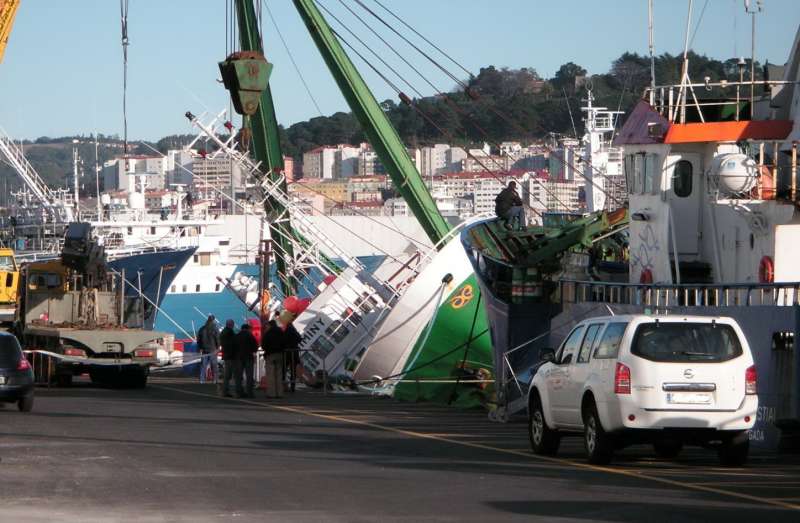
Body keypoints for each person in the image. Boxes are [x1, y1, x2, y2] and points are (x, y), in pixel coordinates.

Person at [261, 310, 296, 398]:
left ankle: (272, 393)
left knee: (271, 374)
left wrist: (267, 350)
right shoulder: (280, 332)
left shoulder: (268, 334)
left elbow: (264, 344)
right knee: (279, 374)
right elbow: (284, 342)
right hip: (280, 354)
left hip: (270, 355)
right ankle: (279, 393)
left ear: (269, 325)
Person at [234, 323, 259, 398]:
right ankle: (249, 392)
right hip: (248, 357)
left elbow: (233, 346)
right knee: (249, 376)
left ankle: (239, 392)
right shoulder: (250, 336)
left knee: (239, 376)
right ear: (247, 329)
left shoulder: (237, 336)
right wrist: (252, 351)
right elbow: (255, 346)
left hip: (239, 358)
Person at [197, 315, 220, 384]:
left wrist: (200, 347)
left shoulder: (202, 328)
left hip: (204, 349)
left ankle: (202, 380)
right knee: (214, 365)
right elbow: (217, 339)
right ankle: (215, 380)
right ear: (213, 320)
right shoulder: (215, 328)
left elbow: (198, 339)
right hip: (213, 349)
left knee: (203, 365)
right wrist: (218, 347)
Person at [219, 320, 237, 397]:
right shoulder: (230, 332)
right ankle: (227, 391)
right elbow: (233, 343)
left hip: (226, 355)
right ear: (231, 325)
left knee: (227, 375)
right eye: (233, 324)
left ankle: (225, 390)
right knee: (231, 375)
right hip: (231, 356)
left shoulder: (223, 332)